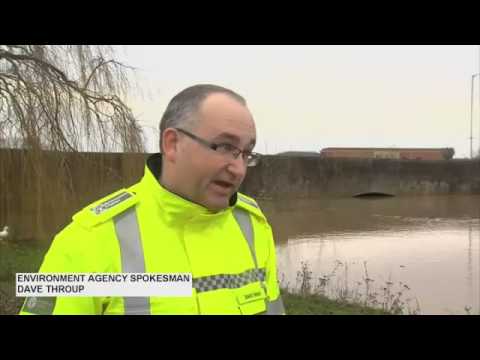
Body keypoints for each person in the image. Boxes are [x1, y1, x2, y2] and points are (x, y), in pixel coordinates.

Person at [20, 84, 285, 315]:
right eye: (225, 147)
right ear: (172, 144)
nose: (238, 168)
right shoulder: (86, 239)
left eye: (245, 152)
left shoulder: (253, 227)